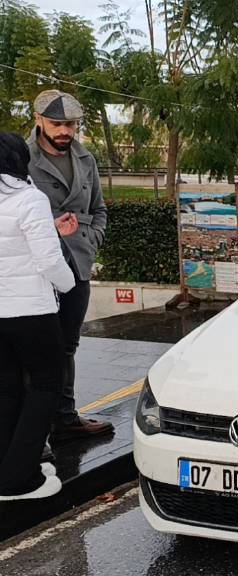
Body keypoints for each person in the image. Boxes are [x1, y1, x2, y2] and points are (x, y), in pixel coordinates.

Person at [26, 90, 113, 443]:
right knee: (34, 347)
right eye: (57, 123)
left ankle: (64, 419)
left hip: (77, 264)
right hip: (34, 268)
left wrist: (91, 241)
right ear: (38, 120)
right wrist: (51, 228)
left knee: (66, 345)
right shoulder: (19, 157)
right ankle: (31, 428)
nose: (64, 131)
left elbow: (99, 209)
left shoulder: (86, 158)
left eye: (71, 124)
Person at [0, 132, 76, 500]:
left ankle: (9, 466)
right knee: (47, 384)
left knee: (8, 387)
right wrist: (68, 285)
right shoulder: (29, 199)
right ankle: (18, 479)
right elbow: (49, 260)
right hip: (31, 311)